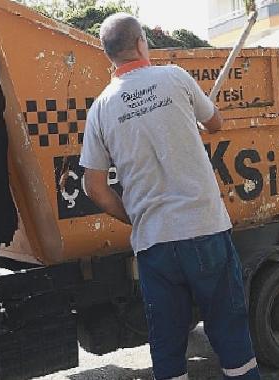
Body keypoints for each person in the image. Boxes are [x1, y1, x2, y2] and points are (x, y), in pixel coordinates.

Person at [79, 13, 260, 380]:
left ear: (107, 56)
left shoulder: (101, 108)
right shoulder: (174, 77)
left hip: (154, 242)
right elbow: (215, 123)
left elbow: (94, 187)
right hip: (204, 228)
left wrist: (136, 216)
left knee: (167, 345)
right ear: (142, 43)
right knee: (231, 335)